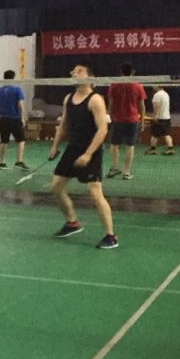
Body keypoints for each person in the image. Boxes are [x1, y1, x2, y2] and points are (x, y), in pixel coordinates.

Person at [48, 60, 117, 249]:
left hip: (91, 150)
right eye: (73, 71)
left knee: (95, 193)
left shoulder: (95, 100)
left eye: (79, 71)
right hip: (73, 149)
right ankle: (72, 223)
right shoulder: (68, 98)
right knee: (56, 187)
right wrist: (55, 146)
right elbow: (63, 125)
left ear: (90, 77)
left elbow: (102, 130)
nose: (74, 73)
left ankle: (111, 236)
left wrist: (88, 154)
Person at [106, 62, 148, 180]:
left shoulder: (114, 85)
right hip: (132, 120)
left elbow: (111, 104)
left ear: (121, 72)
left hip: (116, 119)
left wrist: (109, 117)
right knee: (130, 146)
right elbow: (142, 106)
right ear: (133, 72)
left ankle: (114, 168)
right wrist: (142, 121)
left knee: (114, 144)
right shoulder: (138, 86)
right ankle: (126, 172)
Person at [0, 70, 28, 171]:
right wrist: (22, 118)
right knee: (21, 140)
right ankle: (18, 162)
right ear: (13, 78)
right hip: (15, 119)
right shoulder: (17, 90)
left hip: (3, 120)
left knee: (4, 142)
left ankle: (2, 163)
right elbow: (20, 105)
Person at [146, 86, 174, 155]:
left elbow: (156, 106)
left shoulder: (157, 95)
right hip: (167, 117)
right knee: (167, 133)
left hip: (159, 118)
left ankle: (152, 149)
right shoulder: (166, 94)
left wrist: (155, 116)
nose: (153, 87)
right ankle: (170, 148)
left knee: (154, 134)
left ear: (157, 86)